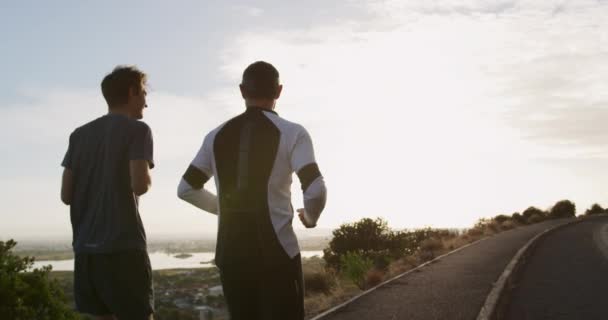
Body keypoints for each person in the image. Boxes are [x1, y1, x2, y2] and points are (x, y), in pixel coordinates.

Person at [178, 61, 327, 320]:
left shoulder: (215, 136)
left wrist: (221, 207)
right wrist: (311, 218)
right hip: (277, 254)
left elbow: (186, 188)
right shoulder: (293, 132)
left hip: (231, 255)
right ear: (278, 91)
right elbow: (314, 189)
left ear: (241, 91)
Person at [60, 66, 155, 320]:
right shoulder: (138, 131)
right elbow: (140, 186)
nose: (146, 101)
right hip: (123, 247)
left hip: (85, 252)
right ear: (132, 92)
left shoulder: (78, 135)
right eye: (144, 92)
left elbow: (66, 195)